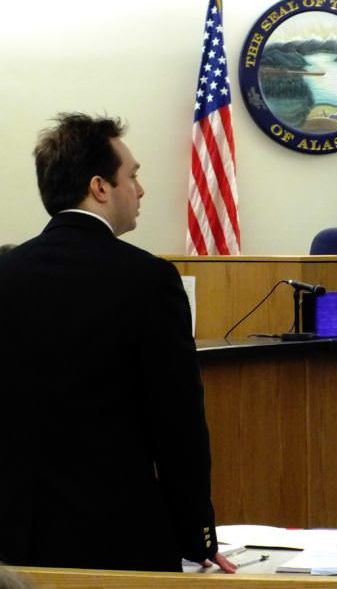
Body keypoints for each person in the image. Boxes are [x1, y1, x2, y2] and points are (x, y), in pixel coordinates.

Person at [0, 113, 235, 574]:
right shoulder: (150, 281)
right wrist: (197, 534)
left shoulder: (6, 277)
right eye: (133, 175)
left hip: (16, 537)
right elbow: (177, 425)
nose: (141, 189)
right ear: (100, 187)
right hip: (118, 540)